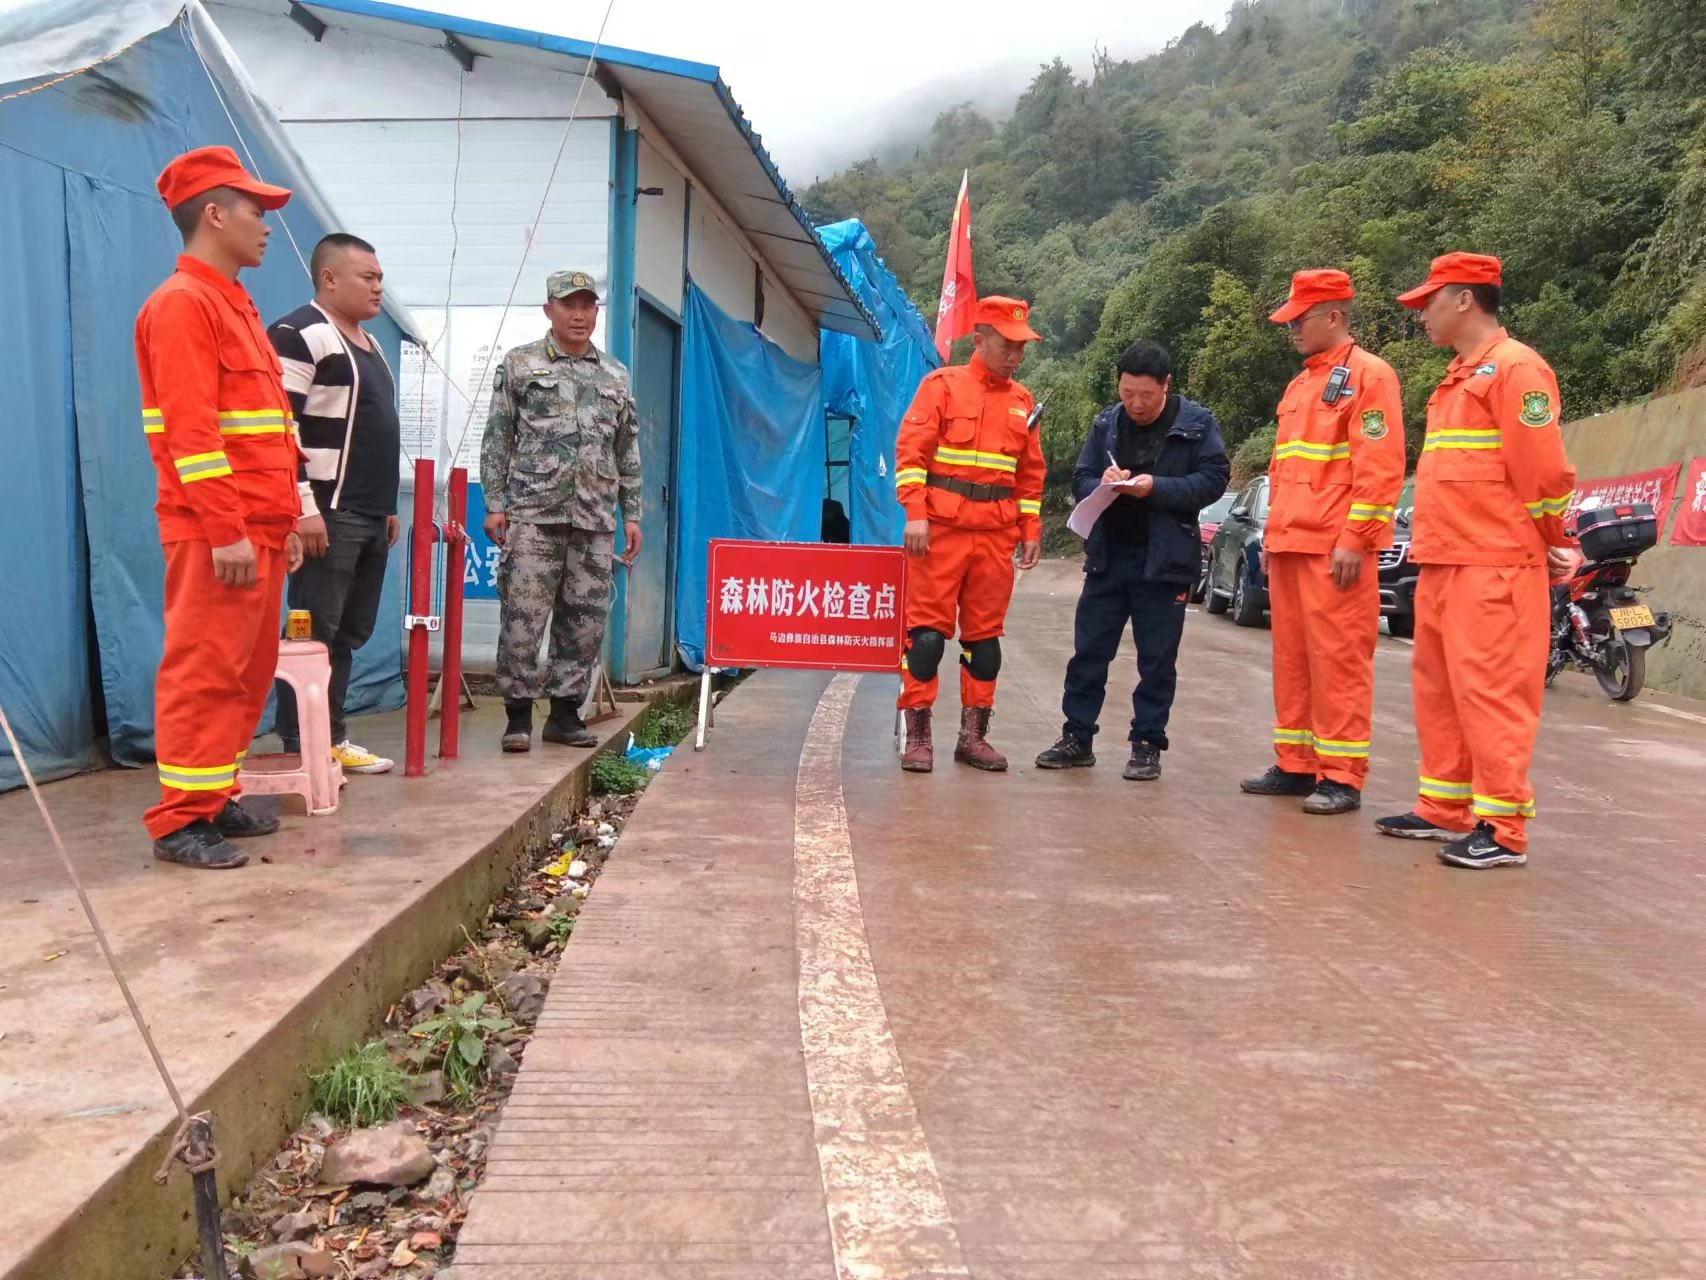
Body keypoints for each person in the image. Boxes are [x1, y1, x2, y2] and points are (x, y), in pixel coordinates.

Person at [1376, 252, 1578, 868]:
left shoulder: (1517, 370)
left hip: (1494, 561)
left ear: (1465, 299)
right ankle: (1444, 806)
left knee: (1491, 693)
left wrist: (1552, 538)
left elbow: (1543, 472)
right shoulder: (1459, 376)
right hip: (1445, 558)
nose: (1420, 316)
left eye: (1428, 302)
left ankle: (1504, 827)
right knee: (1440, 690)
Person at [135, 146, 306, 870]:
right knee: (204, 669)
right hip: (218, 532)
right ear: (213, 214)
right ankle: (179, 821)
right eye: (255, 210)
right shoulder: (182, 306)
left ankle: (214, 795)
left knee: (244, 669)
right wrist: (226, 529)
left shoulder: (233, 304)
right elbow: (190, 434)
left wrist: (287, 517)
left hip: (258, 527)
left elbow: (270, 428)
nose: (267, 224)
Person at [1239, 270, 1405, 815]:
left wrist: (1355, 539)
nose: (1291, 330)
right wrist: (1270, 537)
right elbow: (1284, 471)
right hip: (1290, 545)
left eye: (1299, 319)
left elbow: (1379, 468)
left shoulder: (1370, 377)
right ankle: (1296, 764)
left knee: (1339, 663)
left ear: (1334, 316)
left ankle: (1342, 776)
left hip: (1334, 550)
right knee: (1293, 661)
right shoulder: (1301, 385)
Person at [1035, 341, 1230, 780]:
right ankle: (1077, 737)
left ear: (1166, 386)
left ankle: (1147, 745)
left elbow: (1214, 481)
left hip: (1165, 561)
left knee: (1156, 660)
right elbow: (1080, 478)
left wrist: (1156, 487)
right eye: (1127, 393)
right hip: (1109, 556)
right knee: (1089, 652)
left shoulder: (1197, 423)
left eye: (1146, 395)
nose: (1136, 404)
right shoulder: (1106, 422)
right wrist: (1099, 483)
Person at [481, 270, 641, 753]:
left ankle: (566, 716)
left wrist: (631, 513)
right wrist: (494, 504)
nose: (579, 314)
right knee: (523, 620)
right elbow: (498, 436)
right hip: (533, 514)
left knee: (584, 623)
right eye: (569, 305)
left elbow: (626, 447)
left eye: (588, 305)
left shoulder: (615, 374)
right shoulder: (521, 364)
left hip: (594, 520)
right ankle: (518, 717)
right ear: (548, 309)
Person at [894, 296, 1045, 773]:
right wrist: (915, 512)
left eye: (1022, 347)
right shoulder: (941, 387)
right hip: (939, 533)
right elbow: (910, 455)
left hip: (994, 539)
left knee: (985, 644)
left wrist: (1031, 527)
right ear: (980, 340)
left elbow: (1029, 475)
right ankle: (917, 736)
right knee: (926, 641)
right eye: (1008, 344)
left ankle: (972, 738)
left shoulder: (1023, 404)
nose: (1016, 355)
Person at [268, 234, 400, 775]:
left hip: (369, 513)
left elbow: (373, 429)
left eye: (379, 277)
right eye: (366, 276)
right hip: (327, 511)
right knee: (313, 628)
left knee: (348, 632)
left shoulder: (369, 345)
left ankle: (332, 735)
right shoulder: (300, 333)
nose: (377, 286)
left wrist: (388, 506)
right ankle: (302, 741)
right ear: (328, 278)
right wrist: (303, 506)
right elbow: (281, 424)